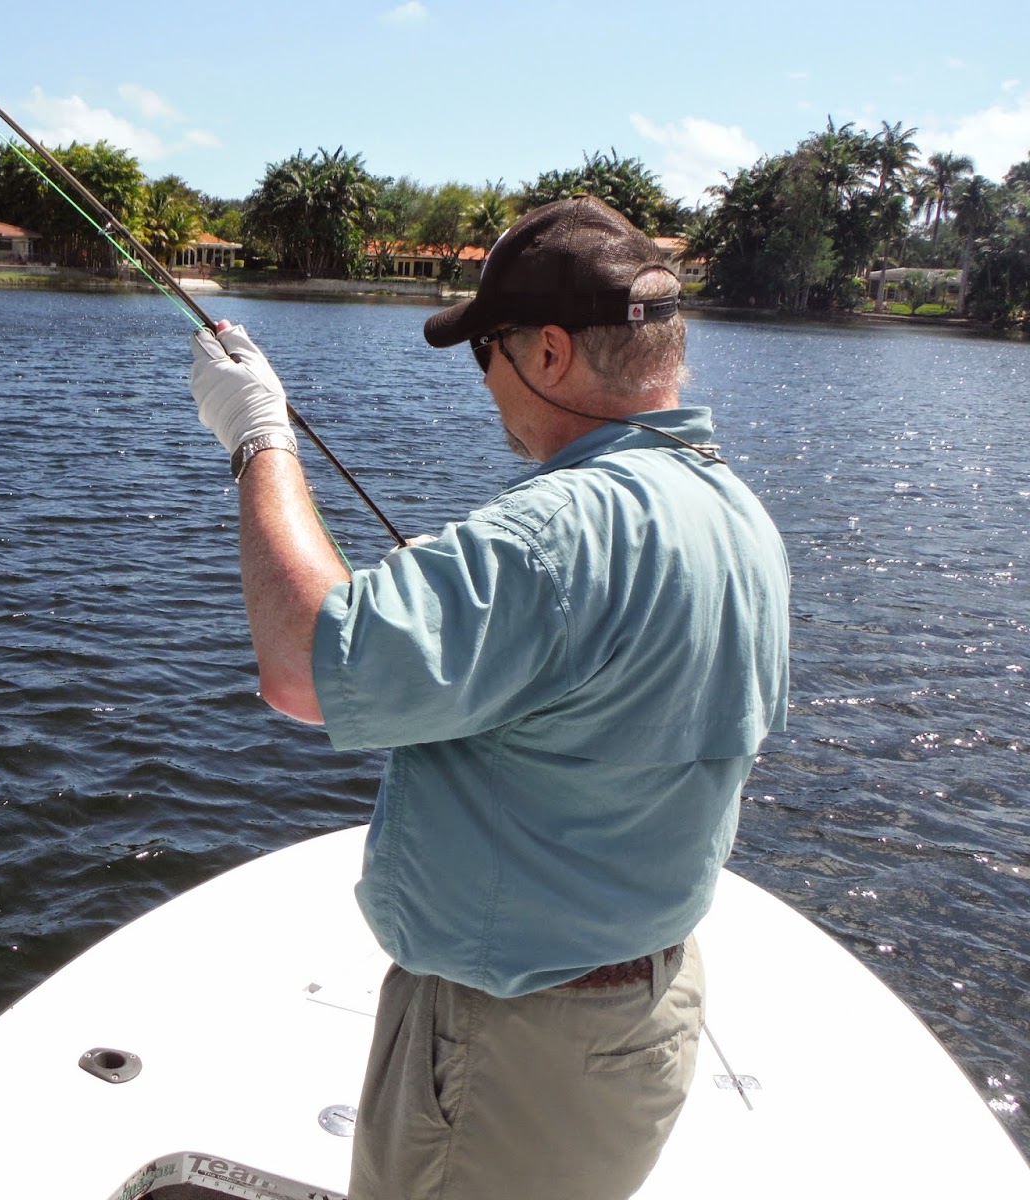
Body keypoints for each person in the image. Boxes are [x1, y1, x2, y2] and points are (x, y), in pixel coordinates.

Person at [188, 195, 790, 1200]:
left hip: (511, 1053)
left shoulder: (552, 534)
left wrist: (257, 435)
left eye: (487, 351)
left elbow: (301, 668)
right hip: (640, 1014)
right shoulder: (731, 511)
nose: (486, 381)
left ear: (549, 351)